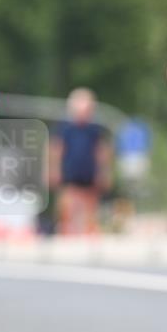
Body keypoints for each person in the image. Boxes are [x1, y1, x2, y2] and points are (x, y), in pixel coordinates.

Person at [49, 88, 113, 235]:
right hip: (70, 173)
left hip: (89, 173)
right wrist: (53, 170)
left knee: (89, 208)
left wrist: (104, 173)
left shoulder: (95, 130)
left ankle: (87, 234)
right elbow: (56, 150)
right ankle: (67, 232)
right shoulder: (64, 128)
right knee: (68, 206)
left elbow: (102, 152)